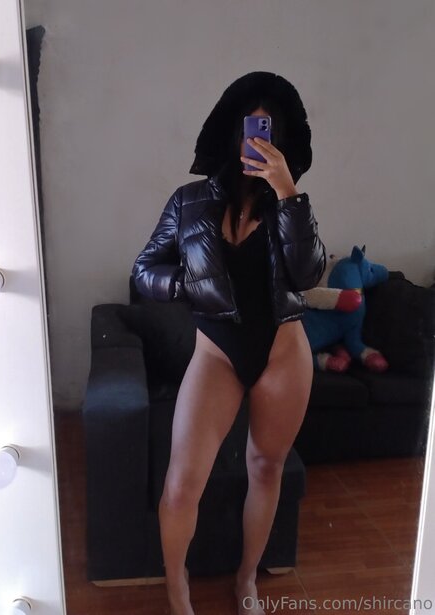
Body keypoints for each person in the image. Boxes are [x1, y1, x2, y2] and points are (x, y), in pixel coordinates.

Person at [132, 71, 326, 615]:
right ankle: (178, 589)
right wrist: (186, 284)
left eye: (267, 132)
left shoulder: (290, 204)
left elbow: (308, 274)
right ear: (230, 132)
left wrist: (288, 193)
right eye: (249, 129)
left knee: (265, 467)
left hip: (283, 353)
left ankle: (246, 581)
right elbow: (142, 271)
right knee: (180, 484)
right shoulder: (188, 202)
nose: (255, 141)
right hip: (215, 351)